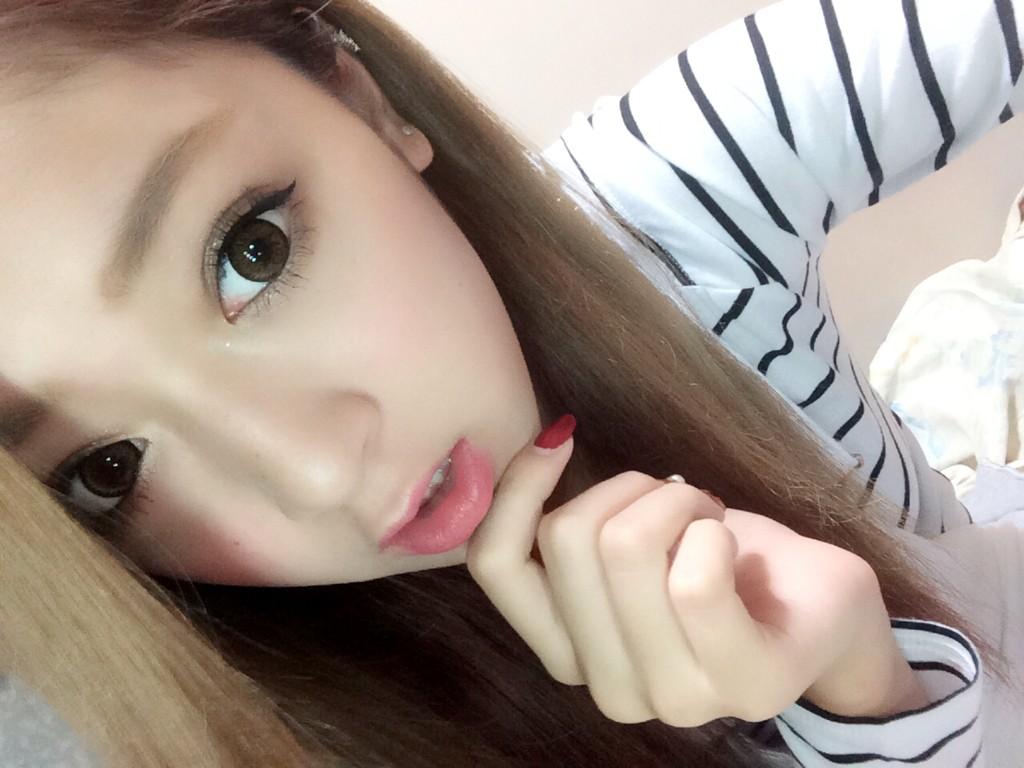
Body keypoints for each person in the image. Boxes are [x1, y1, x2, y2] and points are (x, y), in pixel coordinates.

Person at [0, 0, 1017, 765]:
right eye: (107, 468)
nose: (315, 475)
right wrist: (865, 697)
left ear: (359, 96)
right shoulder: (266, 716)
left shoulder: (662, 210)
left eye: (250, 254)